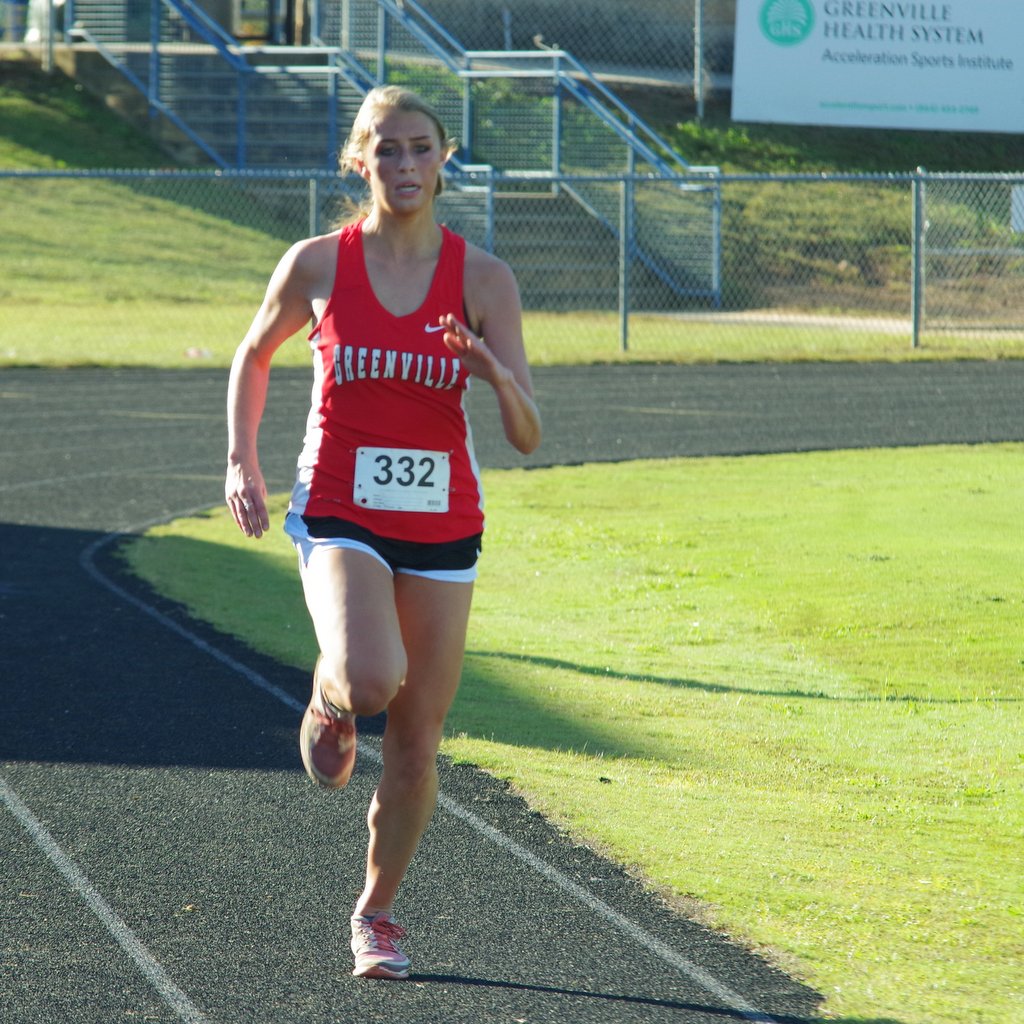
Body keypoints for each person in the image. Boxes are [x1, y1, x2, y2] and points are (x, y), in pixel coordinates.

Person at [224, 85, 541, 981]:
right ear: (358, 161)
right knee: (371, 678)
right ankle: (332, 700)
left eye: (420, 148)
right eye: (386, 149)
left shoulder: (484, 279)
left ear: (445, 159)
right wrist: (242, 461)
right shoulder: (317, 264)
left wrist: (493, 372)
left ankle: (376, 914)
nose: (405, 165)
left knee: (415, 745)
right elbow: (254, 353)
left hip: (444, 525)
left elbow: (527, 433)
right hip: (339, 507)